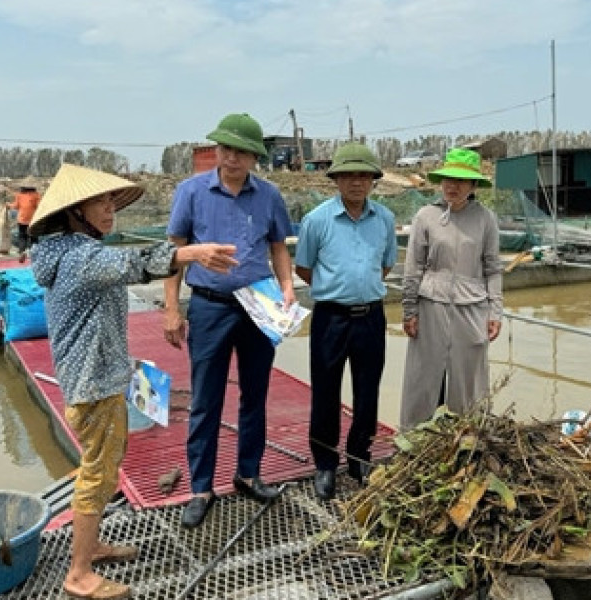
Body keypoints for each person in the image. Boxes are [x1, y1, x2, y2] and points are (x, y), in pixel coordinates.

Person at [30, 163, 237, 600]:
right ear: (75, 211)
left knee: (103, 467)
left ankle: (93, 546)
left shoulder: (69, 250)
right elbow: (133, 263)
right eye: (101, 202)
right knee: (97, 474)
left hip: (97, 377)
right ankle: (79, 574)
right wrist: (192, 254)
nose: (110, 210)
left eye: (110, 201)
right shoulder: (82, 256)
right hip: (93, 384)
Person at [162, 113, 296, 528]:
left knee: (255, 394)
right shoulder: (192, 192)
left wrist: (287, 287)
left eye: (240, 150)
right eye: (225, 148)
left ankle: (248, 473)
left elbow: (277, 247)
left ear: (255, 156)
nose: (231, 156)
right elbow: (174, 255)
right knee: (206, 398)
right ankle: (201, 486)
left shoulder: (269, 195)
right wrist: (172, 307)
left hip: (259, 303)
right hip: (210, 304)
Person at [294, 143, 397, 500]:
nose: (356, 182)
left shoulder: (384, 218)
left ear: (373, 180)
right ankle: (325, 463)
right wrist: (336, 289)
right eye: (348, 175)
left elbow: (385, 264)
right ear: (336, 179)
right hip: (330, 318)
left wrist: (360, 288)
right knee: (325, 392)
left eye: (363, 175)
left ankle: (359, 457)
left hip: (371, 316)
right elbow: (304, 267)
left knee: (367, 392)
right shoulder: (317, 220)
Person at [399, 147, 503, 431]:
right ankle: (414, 442)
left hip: (472, 308)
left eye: (460, 181)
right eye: (447, 179)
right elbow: (413, 267)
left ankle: (468, 442)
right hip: (430, 304)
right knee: (424, 378)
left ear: (473, 186)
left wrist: (496, 311)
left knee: (469, 381)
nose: (452, 186)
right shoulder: (426, 216)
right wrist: (409, 310)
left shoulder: (486, 219)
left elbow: (493, 268)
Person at [9, 182, 41, 253]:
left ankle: (21, 250)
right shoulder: (36, 195)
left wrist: (9, 205)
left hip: (22, 219)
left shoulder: (19, 195)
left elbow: (16, 206)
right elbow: (39, 206)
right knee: (34, 236)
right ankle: (35, 251)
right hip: (33, 219)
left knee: (22, 236)